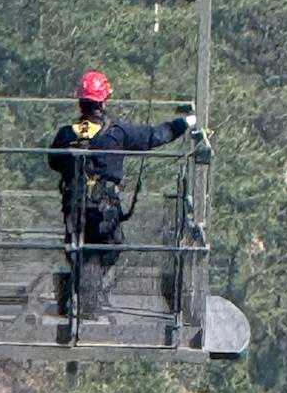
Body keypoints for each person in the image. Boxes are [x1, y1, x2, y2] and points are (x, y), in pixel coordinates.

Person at [48, 70, 196, 315]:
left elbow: (53, 162)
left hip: (73, 207)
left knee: (76, 249)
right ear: (103, 102)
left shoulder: (65, 134)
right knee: (111, 247)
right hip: (104, 209)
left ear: (81, 102)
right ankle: (90, 291)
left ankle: (75, 290)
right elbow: (156, 136)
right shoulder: (117, 133)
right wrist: (186, 122)